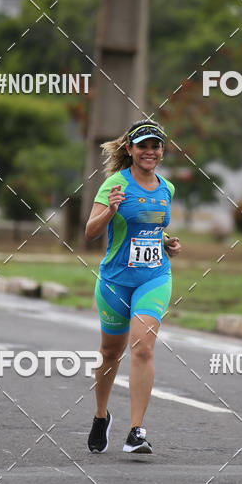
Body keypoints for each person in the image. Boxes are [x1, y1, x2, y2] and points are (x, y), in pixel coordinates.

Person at [84, 120, 181, 454]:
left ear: (162, 151)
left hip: (154, 278)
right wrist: (111, 210)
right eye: (142, 146)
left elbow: (150, 228)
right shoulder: (115, 184)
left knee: (142, 347)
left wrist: (167, 243)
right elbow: (90, 232)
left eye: (155, 146)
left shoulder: (167, 188)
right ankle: (101, 415)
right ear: (130, 149)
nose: (149, 152)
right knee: (111, 353)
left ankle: (136, 431)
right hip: (116, 281)